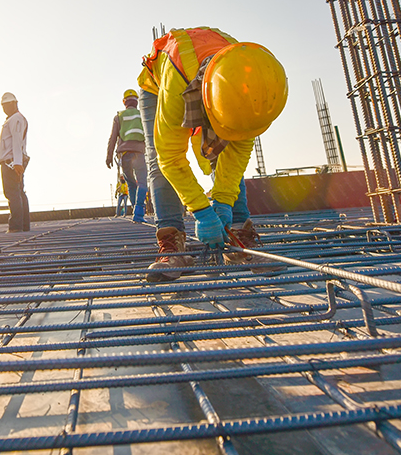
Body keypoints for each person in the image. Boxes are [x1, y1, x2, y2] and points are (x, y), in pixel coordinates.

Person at [137, 27, 288, 282]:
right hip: (161, 85)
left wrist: (223, 203)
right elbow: (170, 157)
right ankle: (173, 244)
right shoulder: (177, 85)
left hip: (213, 78)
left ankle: (238, 234)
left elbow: (237, 153)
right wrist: (202, 211)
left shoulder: (252, 82)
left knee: (227, 146)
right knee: (156, 158)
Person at [106, 89, 148, 223]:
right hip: (139, 153)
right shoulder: (142, 115)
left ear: (124, 102)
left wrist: (108, 156)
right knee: (142, 182)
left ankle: (136, 211)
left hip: (124, 155)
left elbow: (112, 138)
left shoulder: (119, 116)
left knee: (131, 183)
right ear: (137, 102)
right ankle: (139, 213)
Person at [0, 92, 30, 232]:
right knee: (19, 192)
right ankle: (24, 226)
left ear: (14, 104)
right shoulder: (14, 119)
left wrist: (17, 163)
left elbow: (16, 141)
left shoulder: (16, 119)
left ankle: (15, 226)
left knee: (12, 193)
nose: (4, 109)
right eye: (3, 106)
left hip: (11, 162)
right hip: (14, 161)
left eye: (6, 105)